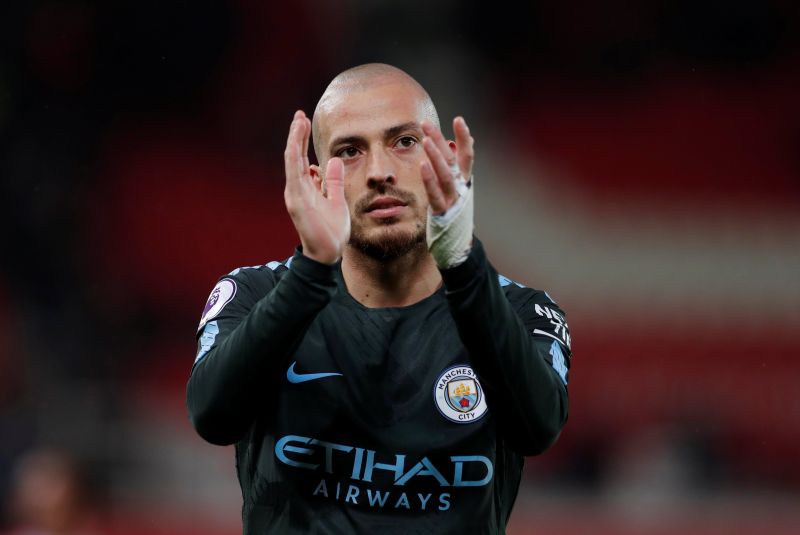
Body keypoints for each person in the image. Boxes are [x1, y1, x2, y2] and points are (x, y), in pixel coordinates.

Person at [187, 63, 571, 534]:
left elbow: (537, 428)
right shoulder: (256, 295)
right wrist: (310, 272)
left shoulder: (522, 312)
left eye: (404, 141)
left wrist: (462, 262)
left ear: (446, 159)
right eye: (350, 151)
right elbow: (212, 417)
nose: (379, 172)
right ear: (315, 180)